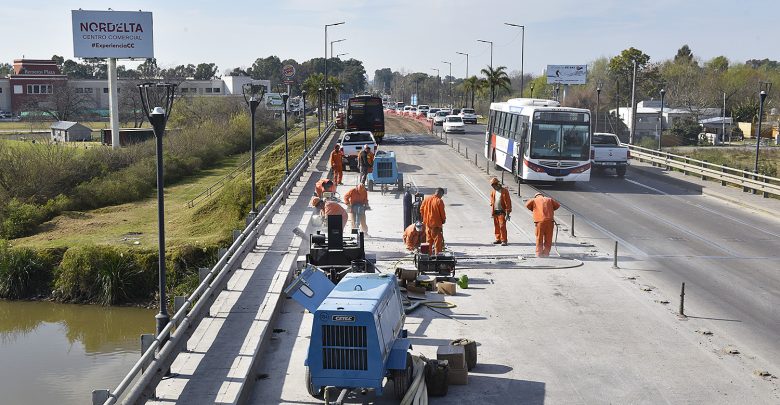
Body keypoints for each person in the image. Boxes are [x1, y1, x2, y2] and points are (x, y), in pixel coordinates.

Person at [525, 192, 560, 257]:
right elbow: (557, 206)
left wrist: (534, 209)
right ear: (542, 195)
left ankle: (538, 253)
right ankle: (546, 253)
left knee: (539, 237)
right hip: (550, 221)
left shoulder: (534, 200)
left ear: (536, 196)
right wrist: (550, 210)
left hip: (539, 221)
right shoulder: (549, 199)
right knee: (548, 238)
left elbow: (527, 205)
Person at [420, 187, 446, 254]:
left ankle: (428, 257)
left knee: (428, 242)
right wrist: (443, 220)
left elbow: (421, 209)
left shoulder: (426, 199)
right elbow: (442, 213)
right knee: (438, 242)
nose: (441, 197)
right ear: (440, 193)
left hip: (427, 225)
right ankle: (438, 257)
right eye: (442, 195)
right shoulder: (439, 201)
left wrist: (425, 218)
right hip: (436, 225)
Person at [489, 177, 512, 246]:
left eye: (494, 185)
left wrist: (508, 213)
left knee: (502, 226)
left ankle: (504, 240)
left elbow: (508, 202)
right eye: (492, 186)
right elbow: (492, 201)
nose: (493, 187)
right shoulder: (493, 192)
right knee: (496, 226)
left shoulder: (504, 191)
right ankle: (498, 239)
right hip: (495, 211)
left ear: (497, 184)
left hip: (502, 212)